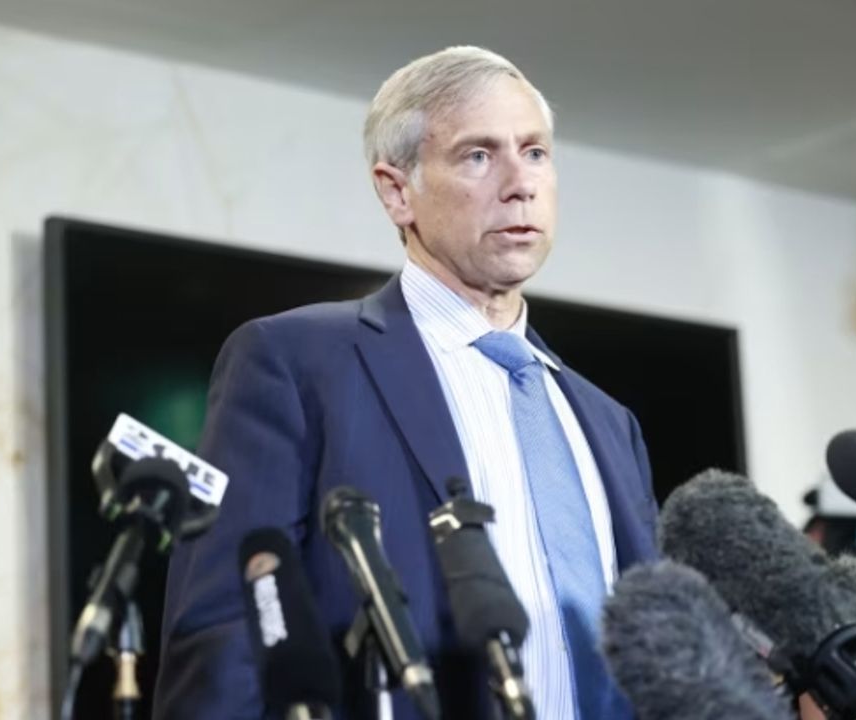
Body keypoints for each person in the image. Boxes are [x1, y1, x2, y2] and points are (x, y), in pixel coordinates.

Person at [153, 46, 659, 720]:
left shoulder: (609, 422)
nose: (521, 183)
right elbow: (227, 637)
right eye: (478, 156)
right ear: (397, 192)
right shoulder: (295, 363)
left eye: (535, 152)